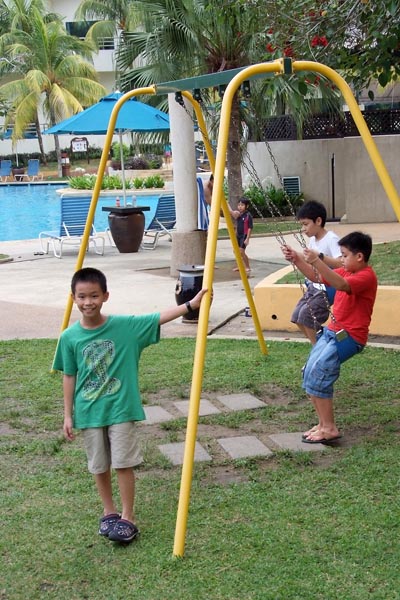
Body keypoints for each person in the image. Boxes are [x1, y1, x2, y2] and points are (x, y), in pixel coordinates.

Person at [53, 267, 208, 544]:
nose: (88, 302)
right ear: (73, 298)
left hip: (121, 409)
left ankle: (128, 517)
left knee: (123, 463)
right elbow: (69, 375)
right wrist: (67, 414)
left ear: (106, 296)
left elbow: (156, 318)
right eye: (82, 296)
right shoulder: (69, 337)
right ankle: (109, 512)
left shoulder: (125, 327)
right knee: (98, 465)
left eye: (94, 296)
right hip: (88, 412)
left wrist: (190, 306)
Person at [282, 232, 377, 444]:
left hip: (350, 337)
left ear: (359, 256)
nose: (341, 259)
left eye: (344, 255)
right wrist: (297, 259)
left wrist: (317, 259)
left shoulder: (366, 276)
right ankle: (322, 424)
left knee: (320, 372)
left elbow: (341, 284)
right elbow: (318, 277)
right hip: (332, 332)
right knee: (309, 372)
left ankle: (329, 428)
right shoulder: (347, 270)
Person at [287, 200, 343, 344]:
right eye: (302, 225)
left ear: (318, 221)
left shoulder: (331, 239)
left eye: (306, 224)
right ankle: (320, 344)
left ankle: (317, 349)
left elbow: (341, 263)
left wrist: (320, 257)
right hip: (314, 287)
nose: (303, 229)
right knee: (296, 317)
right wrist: (294, 254)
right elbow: (308, 259)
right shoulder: (313, 240)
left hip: (327, 289)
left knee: (306, 317)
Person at [231, 196, 253, 273]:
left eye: (242, 205)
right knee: (235, 251)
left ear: (247, 206)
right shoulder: (238, 215)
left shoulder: (248, 215)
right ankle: (239, 266)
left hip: (244, 235)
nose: (240, 207)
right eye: (239, 205)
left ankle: (247, 266)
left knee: (241, 251)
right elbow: (238, 225)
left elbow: (250, 228)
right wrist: (235, 234)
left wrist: (247, 238)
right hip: (238, 235)